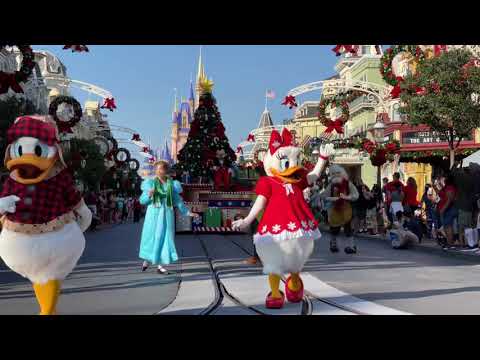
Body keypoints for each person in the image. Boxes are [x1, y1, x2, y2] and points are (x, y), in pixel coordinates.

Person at [139, 160, 199, 274]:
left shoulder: (172, 184)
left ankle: (160, 265)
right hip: (153, 216)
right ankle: (147, 259)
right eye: (158, 169)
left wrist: (188, 212)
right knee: (152, 238)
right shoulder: (150, 184)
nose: (159, 171)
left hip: (167, 215)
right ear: (155, 170)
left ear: (166, 170)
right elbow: (142, 201)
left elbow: (178, 201)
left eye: (162, 169)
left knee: (166, 238)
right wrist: (149, 195)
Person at [321, 165, 360, 254]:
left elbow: (356, 195)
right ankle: (333, 244)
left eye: (338, 173)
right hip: (334, 210)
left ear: (342, 174)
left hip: (346, 209)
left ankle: (351, 246)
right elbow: (323, 196)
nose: (336, 175)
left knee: (348, 228)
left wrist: (347, 197)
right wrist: (331, 199)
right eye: (333, 174)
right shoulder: (331, 185)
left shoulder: (348, 184)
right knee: (334, 228)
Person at [453, 168, 474, 248]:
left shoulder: (462, 181)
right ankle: (468, 242)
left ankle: (463, 243)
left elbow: (453, 172)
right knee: (468, 226)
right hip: (469, 207)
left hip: (463, 206)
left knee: (462, 227)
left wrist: (455, 165)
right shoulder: (471, 180)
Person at [437, 174, 458, 249]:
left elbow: (449, 200)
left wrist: (443, 209)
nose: (443, 179)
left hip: (448, 209)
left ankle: (450, 243)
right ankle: (449, 243)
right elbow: (442, 195)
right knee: (446, 226)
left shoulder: (449, 188)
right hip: (446, 209)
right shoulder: (446, 187)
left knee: (448, 226)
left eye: (444, 177)